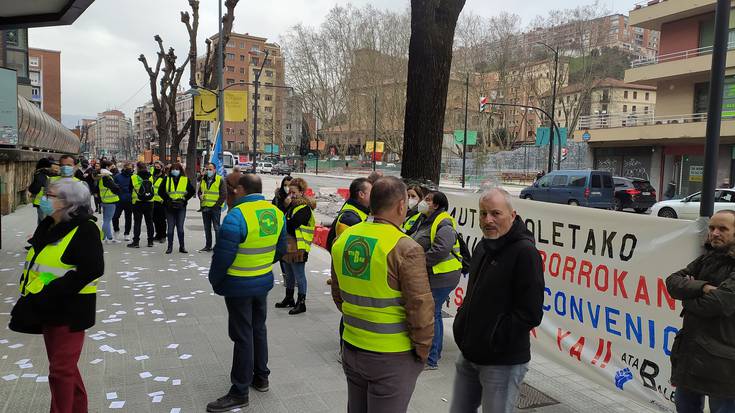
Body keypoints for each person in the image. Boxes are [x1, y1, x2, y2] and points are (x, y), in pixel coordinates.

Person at [330, 176, 433, 413]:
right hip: (392, 355)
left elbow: (338, 295)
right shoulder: (405, 248)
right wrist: (422, 353)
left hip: (352, 345)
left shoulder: (344, 238)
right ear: (400, 205)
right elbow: (420, 309)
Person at [9, 179, 104, 413]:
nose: (44, 199)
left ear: (66, 202)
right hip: (46, 306)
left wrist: (51, 290)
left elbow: (92, 269)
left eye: (50, 196)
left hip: (70, 310)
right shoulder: (51, 225)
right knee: (65, 369)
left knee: (60, 371)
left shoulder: (85, 229)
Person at [450, 188, 544, 413]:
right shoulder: (483, 245)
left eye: (495, 213)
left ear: (512, 215)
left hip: (502, 362)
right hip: (469, 354)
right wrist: (463, 328)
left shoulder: (525, 253)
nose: (488, 220)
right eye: (483, 214)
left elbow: (530, 312)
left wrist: (494, 338)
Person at [206, 174, 287, 412]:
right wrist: (261, 265)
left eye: (232, 189)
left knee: (242, 335)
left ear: (241, 189)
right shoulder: (276, 213)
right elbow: (279, 249)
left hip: (239, 285)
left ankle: (239, 391)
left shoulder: (236, 216)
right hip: (262, 281)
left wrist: (215, 281)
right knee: (258, 329)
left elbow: (222, 258)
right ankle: (261, 376)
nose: (231, 193)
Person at [666, 210, 735, 413]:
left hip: (722, 366)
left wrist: (687, 298)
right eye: (712, 228)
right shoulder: (707, 258)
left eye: (723, 229)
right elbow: (672, 282)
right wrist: (703, 287)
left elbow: (718, 303)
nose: (714, 233)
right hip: (689, 356)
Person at [410, 190, 462, 370]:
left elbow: (441, 249)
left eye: (428, 200)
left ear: (437, 205)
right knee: (432, 312)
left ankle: (432, 359)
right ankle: (430, 353)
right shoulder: (424, 219)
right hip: (433, 274)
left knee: (433, 313)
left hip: (443, 275)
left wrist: (417, 263)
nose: (424, 202)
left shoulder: (443, 222)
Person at [277, 177, 315, 315]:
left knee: (299, 275)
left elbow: (292, 225)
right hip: (288, 245)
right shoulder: (291, 206)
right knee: (288, 274)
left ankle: (301, 302)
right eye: (290, 192)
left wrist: (285, 220)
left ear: (301, 192)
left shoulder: (304, 208)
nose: (291, 194)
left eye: (293, 192)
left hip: (299, 247)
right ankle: (289, 298)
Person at [325, 177, 372, 252]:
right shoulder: (349, 218)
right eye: (372, 192)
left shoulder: (361, 211)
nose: (374, 196)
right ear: (361, 194)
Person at [158, 162, 195, 254]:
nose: (175, 171)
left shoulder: (185, 179)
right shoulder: (167, 179)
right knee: (170, 229)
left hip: (181, 207)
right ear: (170, 171)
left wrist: (184, 199)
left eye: (177, 169)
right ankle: (169, 247)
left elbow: (192, 191)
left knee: (180, 229)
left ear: (180, 170)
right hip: (169, 207)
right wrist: (167, 200)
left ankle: (182, 247)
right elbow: (160, 191)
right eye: (173, 169)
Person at [198, 163, 226, 252]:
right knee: (207, 228)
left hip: (215, 208)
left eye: (210, 169)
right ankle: (208, 246)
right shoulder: (203, 179)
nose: (208, 171)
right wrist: (200, 196)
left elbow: (223, 195)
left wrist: (216, 205)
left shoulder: (219, 180)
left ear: (214, 170)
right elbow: (199, 192)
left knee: (216, 227)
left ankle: (218, 246)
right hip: (205, 207)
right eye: (207, 169)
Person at [128, 162, 155, 249]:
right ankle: (150, 241)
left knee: (137, 222)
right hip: (149, 201)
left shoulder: (134, 177)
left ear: (137, 168)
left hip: (137, 202)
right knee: (149, 222)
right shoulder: (151, 176)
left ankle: (136, 242)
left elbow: (129, 189)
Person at [97, 160, 120, 244]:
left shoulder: (100, 175)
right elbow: (114, 187)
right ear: (107, 167)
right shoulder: (107, 176)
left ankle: (107, 237)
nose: (112, 167)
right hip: (110, 201)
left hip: (104, 200)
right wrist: (118, 187)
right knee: (107, 220)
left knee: (106, 220)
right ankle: (105, 238)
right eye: (111, 166)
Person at [28, 157, 54, 224]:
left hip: (41, 201)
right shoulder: (49, 173)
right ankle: (39, 234)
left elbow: (36, 187)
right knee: (41, 220)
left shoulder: (40, 173)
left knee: (43, 221)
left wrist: (30, 189)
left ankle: (43, 234)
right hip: (48, 200)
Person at [112, 163, 134, 241]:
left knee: (128, 217)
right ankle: (116, 230)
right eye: (128, 168)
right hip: (118, 200)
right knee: (115, 216)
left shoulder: (133, 177)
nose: (129, 169)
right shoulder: (117, 177)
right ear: (124, 168)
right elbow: (113, 187)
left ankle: (127, 233)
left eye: (130, 168)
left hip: (129, 200)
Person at [151, 161, 167, 243]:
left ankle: (163, 236)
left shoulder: (164, 177)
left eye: (158, 167)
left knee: (161, 220)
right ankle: (157, 234)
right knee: (154, 219)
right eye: (155, 167)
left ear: (162, 168)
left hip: (161, 201)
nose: (156, 168)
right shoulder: (152, 176)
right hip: (152, 201)